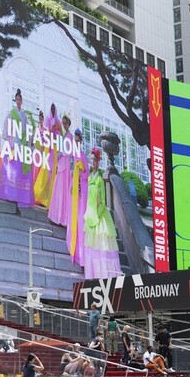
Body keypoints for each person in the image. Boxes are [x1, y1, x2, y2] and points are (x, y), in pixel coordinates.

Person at [82, 148, 121, 278]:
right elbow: (88, 199)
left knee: (102, 248)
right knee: (92, 249)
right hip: (90, 217)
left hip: (99, 218)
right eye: (91, 160)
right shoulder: (89, 177)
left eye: (95, 160)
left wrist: (97, 216)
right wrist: (89, 215)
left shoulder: (99, 179)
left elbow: (103, 202)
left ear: (98, 162)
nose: (92, 162)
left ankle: (104, 276)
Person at [0, 88, 35, 207]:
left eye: (20, 100)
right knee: (12, 169)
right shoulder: (12, 114)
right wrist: (10, 141)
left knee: (20, 171)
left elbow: (27, 130)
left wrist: (29, 140)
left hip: (22, 144)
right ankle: (10, 194)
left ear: (22, 101)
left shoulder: (24, 116)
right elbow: (7, 127)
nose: (19, 101)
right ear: (15, 101)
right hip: (13, 143)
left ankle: (20, 195)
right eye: (17, 99)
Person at [67, 129, 88, 263]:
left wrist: (80, 179)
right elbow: (71, 172)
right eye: (74, 141)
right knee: (73, 218)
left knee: (80, 220)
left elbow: (86, 175)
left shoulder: (83, 156)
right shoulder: (73, 155)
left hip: (81, 192)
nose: (76, 142)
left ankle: (81, 252)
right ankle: (73, 248)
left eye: (77, 140)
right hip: (74, 190)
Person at [48, 114, 73, 225]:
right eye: (63, 123)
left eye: (65, 123)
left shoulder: (70, 136)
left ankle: (63, 218)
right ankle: (56, 216)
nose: (64, 125)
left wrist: (61, 153)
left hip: (66, 164)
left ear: (69, 124)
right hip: (61, 163)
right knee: (59, 190)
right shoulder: (65, 135)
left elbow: (70, 151)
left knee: (63, 190)